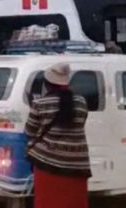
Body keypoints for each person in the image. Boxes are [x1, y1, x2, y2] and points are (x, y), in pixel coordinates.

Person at [24, 63, 91, 208]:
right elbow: (81, 124)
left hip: (47, 164)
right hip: (77, 165)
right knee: (74, 202)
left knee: (48, 202)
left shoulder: (40, 103)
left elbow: (29, 131)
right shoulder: (81, 102)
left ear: (47, 84)